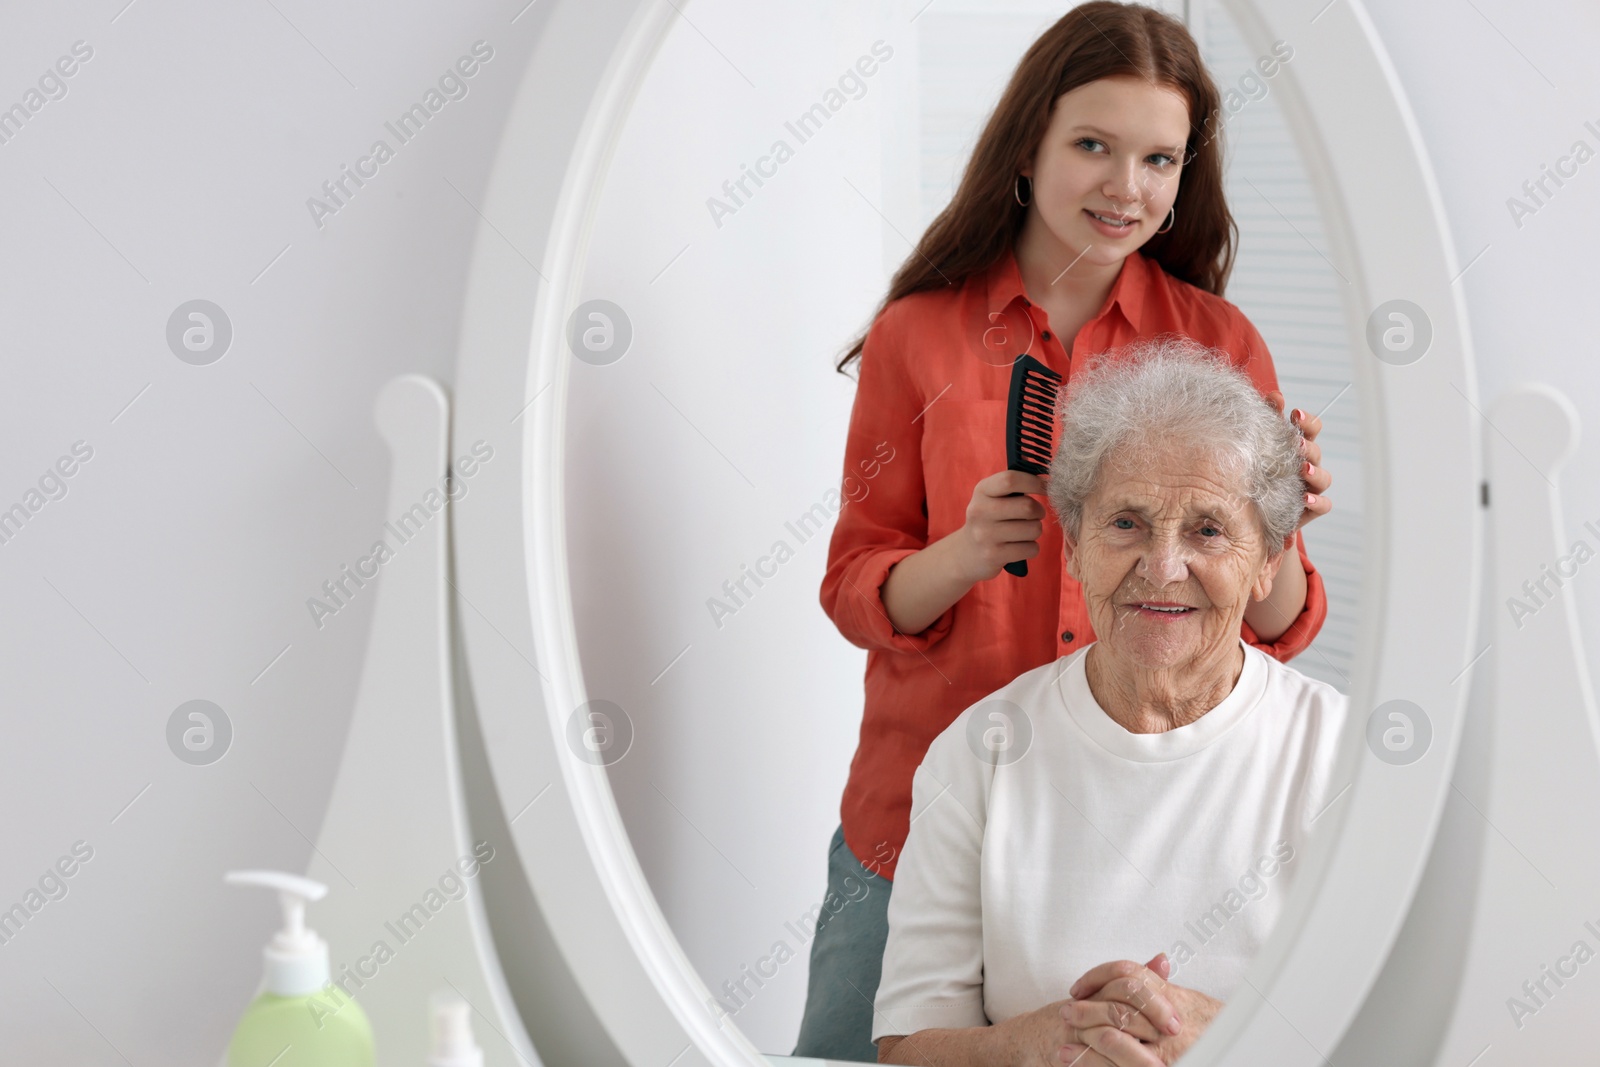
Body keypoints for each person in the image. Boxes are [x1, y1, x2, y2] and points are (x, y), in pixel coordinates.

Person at [792, 3, 1334, 1062]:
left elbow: (1275, 621)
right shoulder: (918, 336)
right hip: (916, 819)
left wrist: (1282, 527)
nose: (1124, 185)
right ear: (1027, 148)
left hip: (1129, 833)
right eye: (1092, 144)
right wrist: (960, 552)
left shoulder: (1218, 341)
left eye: (1157, 158)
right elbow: (856, 589)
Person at [873, 340, 1349, 1066]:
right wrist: (1034, 1046)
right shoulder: (981, 753)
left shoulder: (1341, 755)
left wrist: (1223, 1038)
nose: (1162, 568)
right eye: (1125, 521)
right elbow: (907, 1046)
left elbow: (1405, 1023)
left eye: (1208, 529)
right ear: (1072, 547)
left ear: (1270, 563)